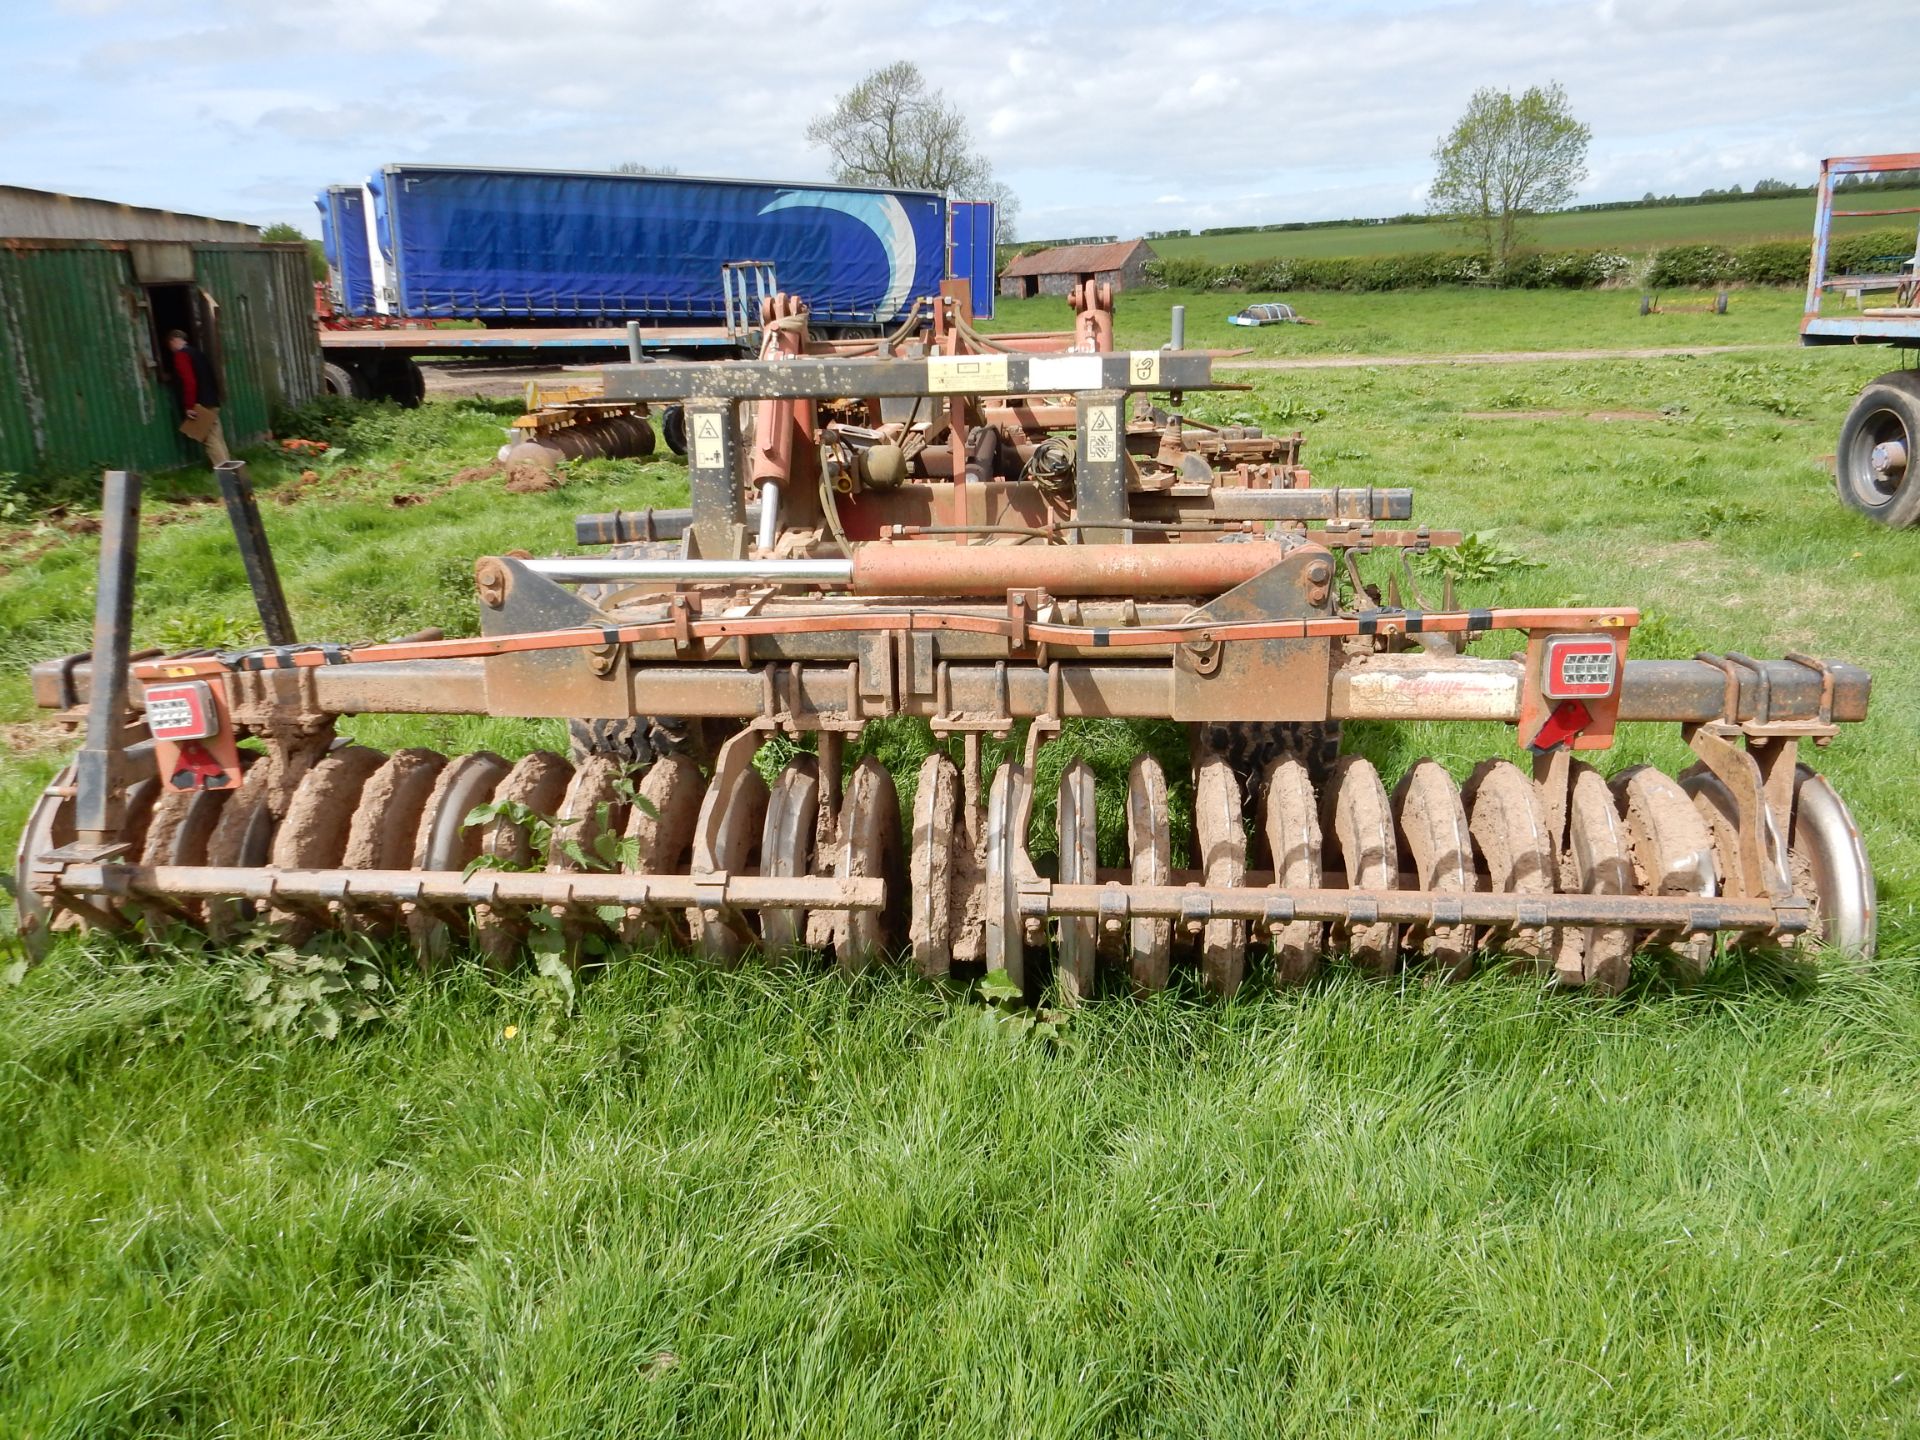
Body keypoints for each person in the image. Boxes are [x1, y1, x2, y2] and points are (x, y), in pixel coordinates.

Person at [167, 329, 229, 465]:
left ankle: (225, 472)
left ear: (173, 340)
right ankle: (230, 468)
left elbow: (189, 381)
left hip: (200, 404)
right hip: (212, 400)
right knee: (217, 437)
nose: (169, 347)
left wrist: (189, 406)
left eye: (169, 343)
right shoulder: (197, 353)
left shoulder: (181, 356)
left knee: (209, 440)